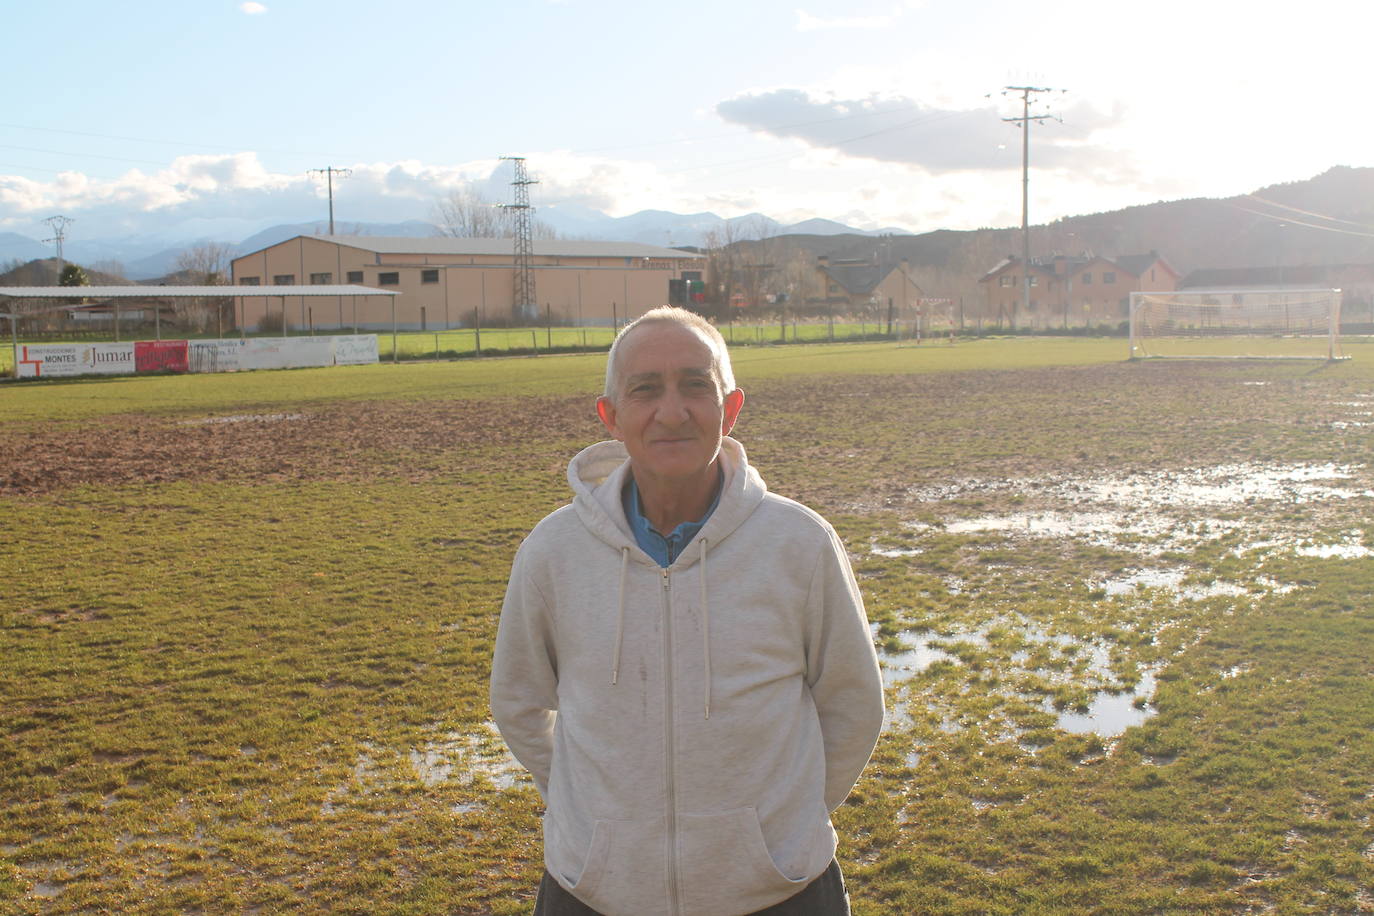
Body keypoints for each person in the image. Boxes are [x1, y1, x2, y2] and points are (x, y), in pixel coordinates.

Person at [490, 306, 884, 916]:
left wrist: (771, 835)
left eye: (695, 386)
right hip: (593, 896)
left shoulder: (800, 543)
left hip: (780, 894)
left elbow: (853, 705)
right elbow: (518, 701)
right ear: (611, 416)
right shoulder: (552, 552)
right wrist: (595, 823)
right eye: (645, 390)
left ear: (730, 410)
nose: (671, 412)